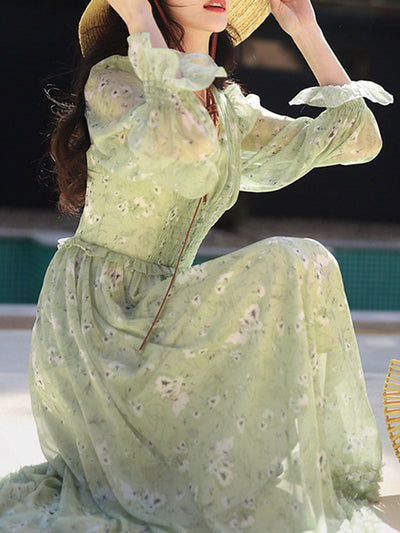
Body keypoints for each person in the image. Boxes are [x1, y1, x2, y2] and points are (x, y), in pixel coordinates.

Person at [0, 0, 395, 531]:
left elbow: (360, 141)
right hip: (100, 322)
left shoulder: (224, 105)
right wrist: (140, 23)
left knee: (309, 262)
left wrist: (306, 30)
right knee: (289, 260)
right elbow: (183, 144)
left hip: (166, 308)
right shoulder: (116, 82)